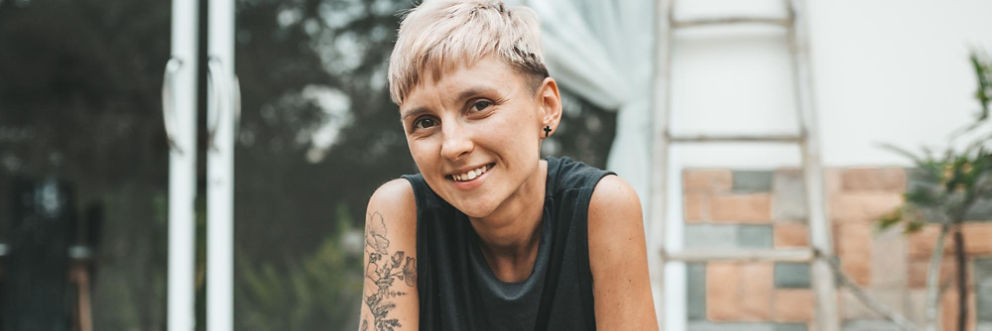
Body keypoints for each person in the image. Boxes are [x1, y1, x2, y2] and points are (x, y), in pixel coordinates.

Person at [359, 0, 657, 329]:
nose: (453, 145)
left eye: (479, 105)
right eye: (425, 122)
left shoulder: (601, 207)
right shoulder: (401, 211)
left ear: (546, 106)